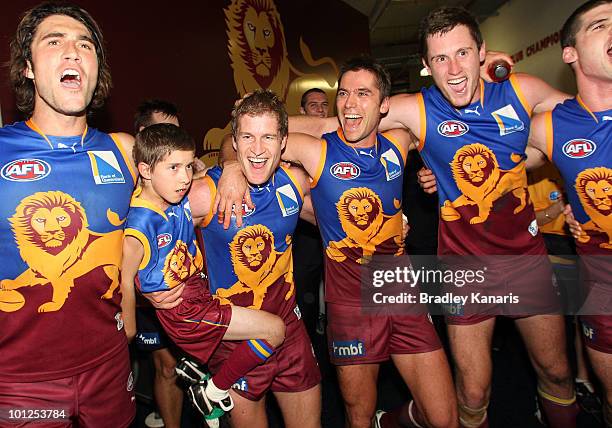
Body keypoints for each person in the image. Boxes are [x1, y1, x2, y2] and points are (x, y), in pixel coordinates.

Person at [276, 7, 578, 427]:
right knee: (472, 393)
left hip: (525, 258)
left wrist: (571, 196)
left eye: (462, 54)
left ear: (481, 52)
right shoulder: (415, 111)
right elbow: (336, 122)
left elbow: (586, 123)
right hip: (463, 269)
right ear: (425, 66)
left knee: (558, 373)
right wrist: (249, 140)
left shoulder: (522, 90)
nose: (453, 69)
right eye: (440, 58)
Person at [219, 59, 458, 428]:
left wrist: (436, 177)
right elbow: (241, 143)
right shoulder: (315, 149)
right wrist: (233, 168)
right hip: (349, 300)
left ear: (383, 104)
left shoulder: (400, 139)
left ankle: (392, 421)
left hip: (401, 291)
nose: (350, 103)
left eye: (363, 94)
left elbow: (454, 117)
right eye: (344, 93)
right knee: (358, 416)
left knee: (443, 418)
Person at [0, 3, 136, 426]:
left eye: (85, 45)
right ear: (27, 67)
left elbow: (192, 186)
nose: (73, 52)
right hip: (18, 380)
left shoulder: (125, 151)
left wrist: (235, 176)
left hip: (110, 364)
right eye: (54, 41)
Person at [120, 123, 288, 423]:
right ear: (145, 170)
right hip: (184, 309)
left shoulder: (171, 194)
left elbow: (210, 165)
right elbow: (123, 280)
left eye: (188, 166)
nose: (184, 178)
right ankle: (211, 390)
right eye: (173, 167)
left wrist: (232, 167)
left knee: (242, 341)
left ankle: (198, 367)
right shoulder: (139, 223)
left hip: (198, 292)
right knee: (274, 330)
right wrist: (130, 331)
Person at [198, 90, 322, 428]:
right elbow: (144, 219)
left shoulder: (294, 182)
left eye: (268, 137)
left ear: (283, 142)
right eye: (247, 137)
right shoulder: (206, 193)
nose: (257, 149)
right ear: (234, 142)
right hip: (237, 339)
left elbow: (332, 213)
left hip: (290, 329)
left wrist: (391, 218)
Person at [132, 99, 184, 428]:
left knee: (182, 366)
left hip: (183, 294)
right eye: (162, 132)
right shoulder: (124, 188)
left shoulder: (184, 176)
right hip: (144, 299)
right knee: (166, 365)